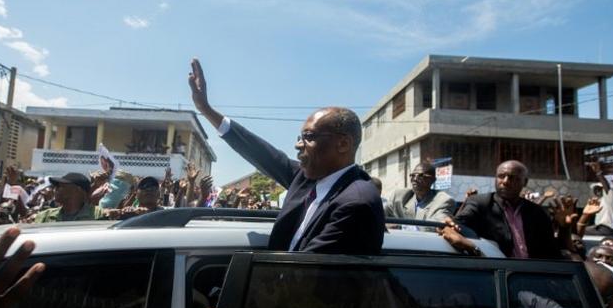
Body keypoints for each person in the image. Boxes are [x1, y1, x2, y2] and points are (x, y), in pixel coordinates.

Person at [188, 58, 384, 254]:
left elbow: (305, 275)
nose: (298, 145)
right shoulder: (307, 179)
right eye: (300, 137)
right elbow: (261, 153)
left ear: (343, 144)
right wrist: (206, 109)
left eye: (308, 137)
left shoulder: (357, 203)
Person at [439, 160, 567, 259]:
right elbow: (456, 227)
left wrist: (565, 227)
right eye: (501, 176)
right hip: (497, 277)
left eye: (512, 177)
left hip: (533, 278)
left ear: (525, 182)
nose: (505, 182)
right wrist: (451, 228)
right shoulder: (480, 203)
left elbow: (552, 252)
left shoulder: (537, 213)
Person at [384, 161, 454, 223]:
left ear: (433, 180)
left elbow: (438, 223)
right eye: (412, 175)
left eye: (421, 176)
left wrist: (400, 226)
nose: (415, 179)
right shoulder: (399, 197)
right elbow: (380, 217)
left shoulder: (443, 200)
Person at [33, 173, 108, 223]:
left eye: (61, 186)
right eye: (56, 186)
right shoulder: (45, 216)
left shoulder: (99, 215)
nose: (55, 190)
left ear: (78, 190)